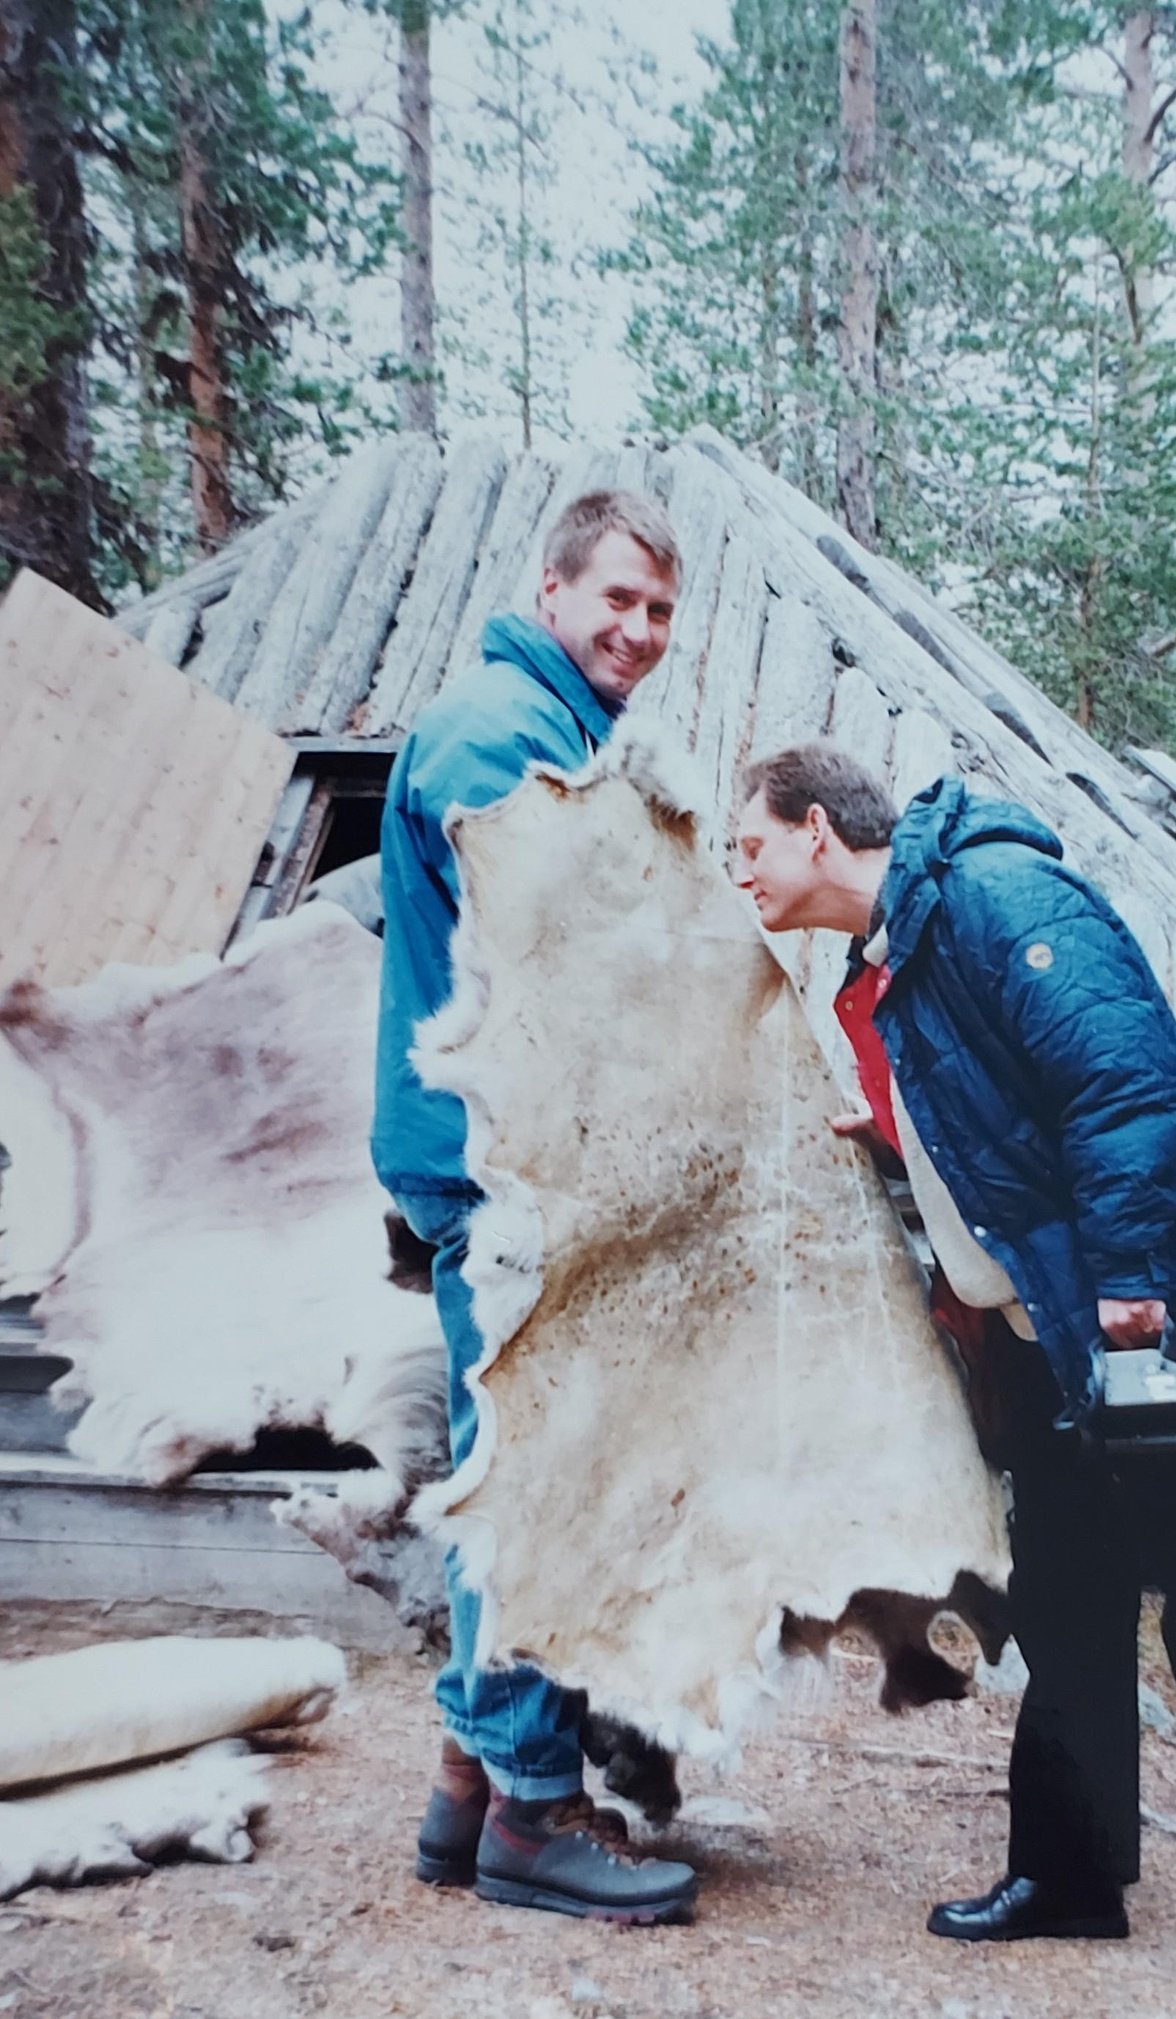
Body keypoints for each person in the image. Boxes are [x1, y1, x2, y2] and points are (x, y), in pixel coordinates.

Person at [733, 741, 1176, 1991]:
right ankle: (1069, 1873)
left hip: (1130, 1324)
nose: (744, 872)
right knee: (1066, 1611)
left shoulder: (1000, 897)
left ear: (816, 833)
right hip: (1037, 1340)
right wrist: (901, 1137)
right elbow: (1001, 1112)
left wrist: (1124, 1279)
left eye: (753, 846)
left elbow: (1122, 1083)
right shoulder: (894, 953)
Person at [372, 488, 699, 1926]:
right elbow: (566, 963)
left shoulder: (553, 723)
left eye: (659, 612)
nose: (638, 630)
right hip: (506, 1161)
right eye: (616, 599)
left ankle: (463, 1791)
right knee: (533, 1486)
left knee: (520, 1462)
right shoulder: (503, 731)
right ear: (552, 587)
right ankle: (529, 1811)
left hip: (510, 1154)